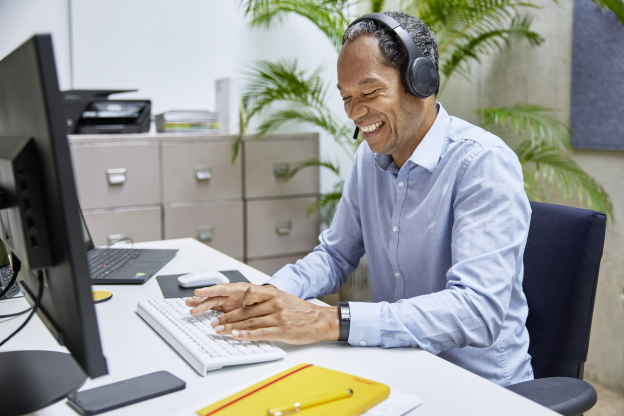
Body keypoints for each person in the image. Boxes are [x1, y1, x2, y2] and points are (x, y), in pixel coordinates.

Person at [186, 11, 533, 386]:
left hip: (479, 388)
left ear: (422, 81)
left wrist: (329, 320)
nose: (354, 113)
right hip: (399, 368)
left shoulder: (482, 163)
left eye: (369, 93)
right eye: (347, 97)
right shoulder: (368, 160)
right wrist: (266, 296)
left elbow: (476, 311)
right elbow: (335, 255)